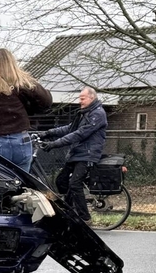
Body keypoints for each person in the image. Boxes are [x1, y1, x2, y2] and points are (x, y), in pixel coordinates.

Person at [38, 86, 108, 222]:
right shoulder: (85, 113)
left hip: (88, 154)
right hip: (77, 153)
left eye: (82, 98)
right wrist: (48, 133)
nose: (79, 101)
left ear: (92, 98)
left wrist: (54, 144)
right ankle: (69, 210)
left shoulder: (97, 114)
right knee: (61, 181)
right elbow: (70, 128)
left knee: (75, 184)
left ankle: (85, 218)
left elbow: (79, 134)